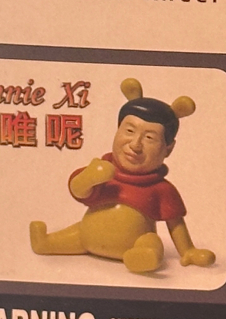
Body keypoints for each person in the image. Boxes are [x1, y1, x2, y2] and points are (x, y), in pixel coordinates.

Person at [29, 78, 215, 273]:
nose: (135, 144)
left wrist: (188, 250)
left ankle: (143, 257)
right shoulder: (102, 170)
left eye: (149, 138)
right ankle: (45, 242)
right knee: (71, 234)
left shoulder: (161, 189)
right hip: (85, 236)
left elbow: (175, 222)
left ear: (168, 149)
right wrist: (89, 178)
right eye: (129, 131)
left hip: (136, 241)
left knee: (151, 241)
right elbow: (78, 190)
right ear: (117, 131)